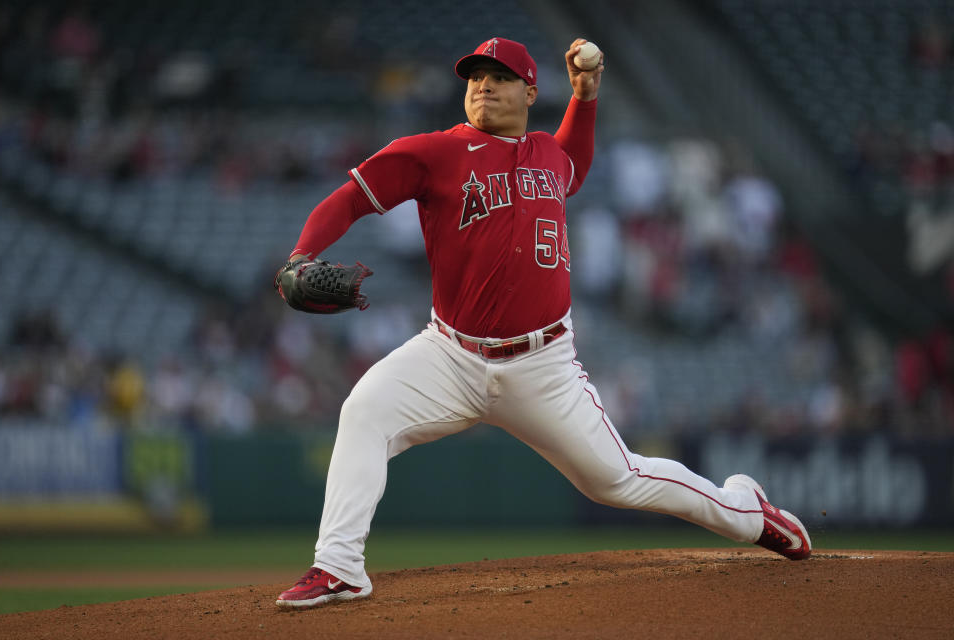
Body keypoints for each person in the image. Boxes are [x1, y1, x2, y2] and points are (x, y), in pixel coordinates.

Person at [274, 37, 811, 610]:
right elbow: (348, 201)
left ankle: (745, 512)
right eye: (475, 76)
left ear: (530, 91)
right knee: (363, 412)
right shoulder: (432, 153)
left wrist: (586, 94)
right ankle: (339, 567)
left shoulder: (549, 158)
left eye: (500, 77)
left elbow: (574, 160)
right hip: (449, 354)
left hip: (542, 365)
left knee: (616, 480)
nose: (483, 85)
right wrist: (302, 256)